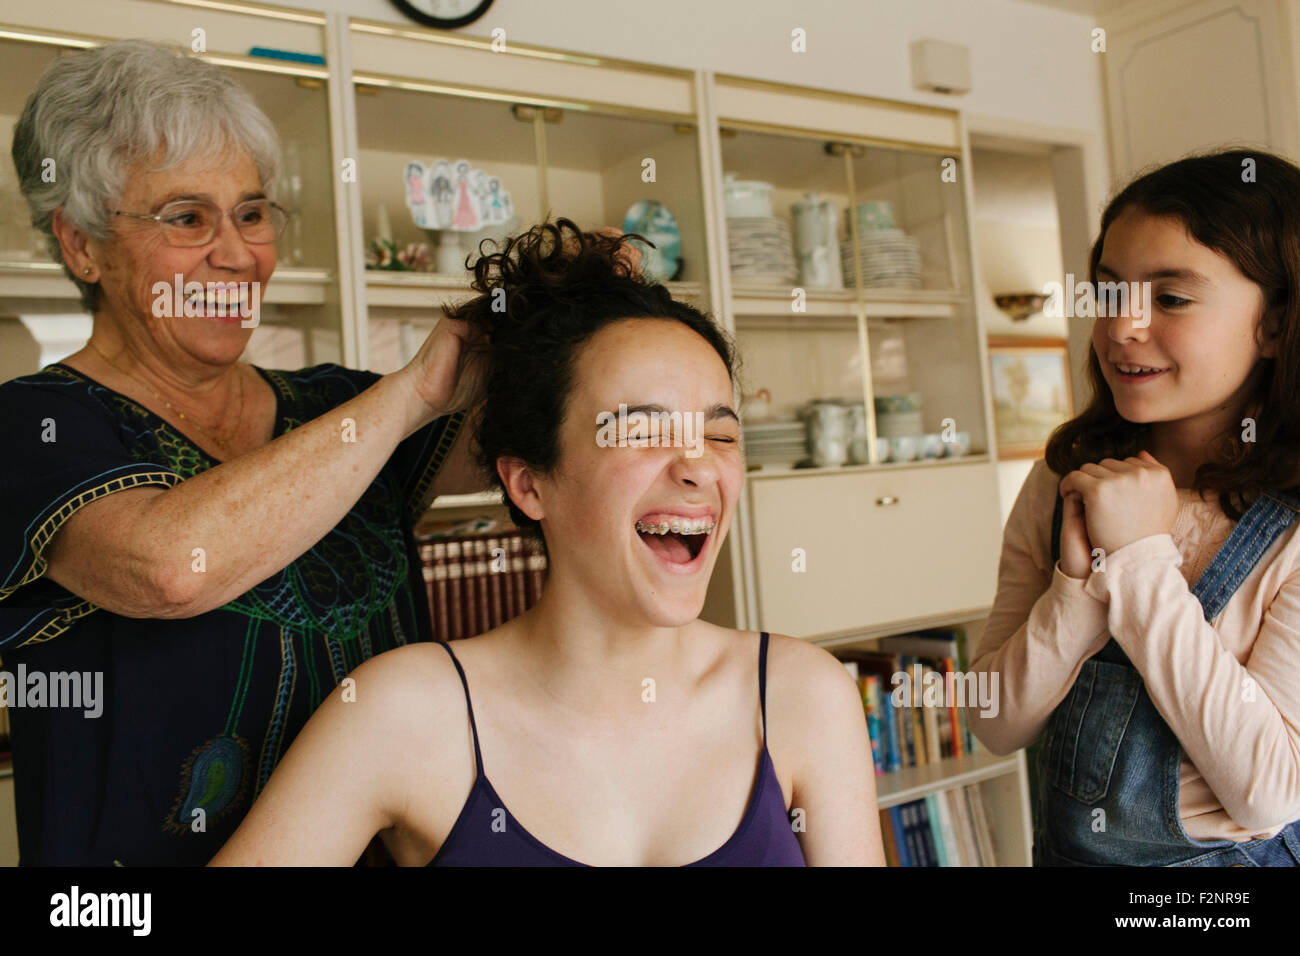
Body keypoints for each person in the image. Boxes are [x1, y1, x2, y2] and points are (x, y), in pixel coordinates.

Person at [211, 220, 883, 866]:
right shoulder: (405, 713)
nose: (698, 466)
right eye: (641, 432)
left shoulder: (802, 696)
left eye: (722, 435)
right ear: (530, 486)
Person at [0, 38, 487, 865]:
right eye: (187, 217)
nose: (237, 254)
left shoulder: (338, 405)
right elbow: (170, 567)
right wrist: (414, 391)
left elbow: (545, 460)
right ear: (82, 244)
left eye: (252, 213)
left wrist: (579, 312)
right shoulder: (32, 425)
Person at [968, 149, 1300, 866]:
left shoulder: (1293, 526)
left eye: (1171, 298)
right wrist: (1079, 589)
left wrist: (1142, 561)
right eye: (1109, 292)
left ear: (1274, 326)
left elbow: (1270, 792)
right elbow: (994, 720)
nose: (1122, 328)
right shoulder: (1060, 480)